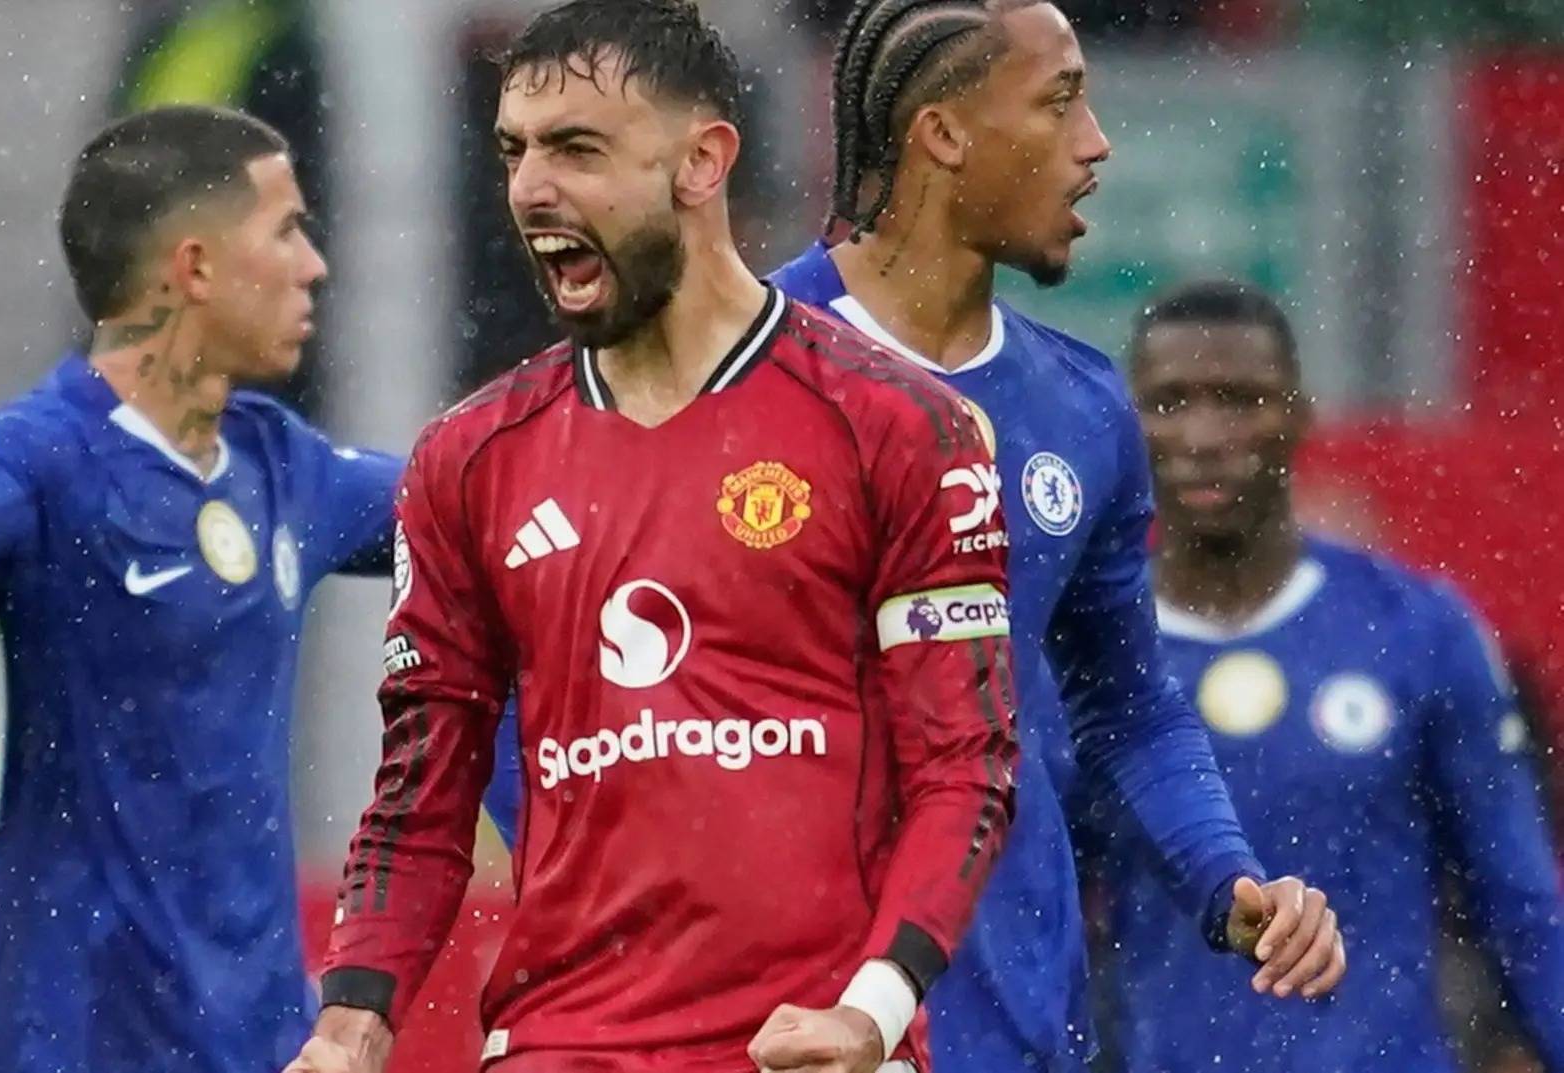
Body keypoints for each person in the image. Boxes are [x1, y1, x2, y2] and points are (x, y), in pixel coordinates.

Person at [286, 3, 1018, 1072]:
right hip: (560, 1045)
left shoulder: (896, 426)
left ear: (702, 162)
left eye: (577, 148)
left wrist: (870, 1009)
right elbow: (420, 791)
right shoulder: (467, 459)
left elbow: (966, 763)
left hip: (809, 1046)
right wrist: (350, 1025)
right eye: (514, 151)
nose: (531, 188)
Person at [759, 2, 1347, 1070]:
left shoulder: (1079, 407)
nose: (1096, 143)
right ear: (943, 134)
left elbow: (1125, 706)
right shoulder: (743, 373)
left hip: (1008, 1017)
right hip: (771, 1024)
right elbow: (563, 688)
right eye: (1059, 101)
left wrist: (1228, 877)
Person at [0, 105, 401, 1073]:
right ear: (195, 267)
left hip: (261, 1045)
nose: (313, 265)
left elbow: (475, 503)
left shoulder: (284, 465)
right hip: (70, 1042)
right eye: (286, 230)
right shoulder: (40, 461)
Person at [1076, 279, 1564, 1072]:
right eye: (1169, 402)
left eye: (1240, 400)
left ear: (1298, 415)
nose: (1203, 435)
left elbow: (1521, 903)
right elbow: (1029, 910)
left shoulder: (1417, 629)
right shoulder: (1086, 651)